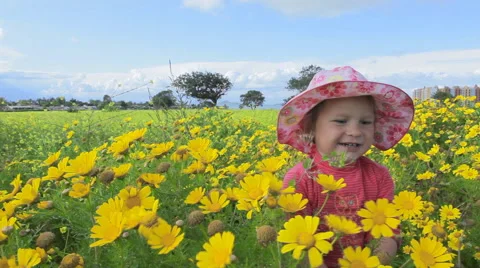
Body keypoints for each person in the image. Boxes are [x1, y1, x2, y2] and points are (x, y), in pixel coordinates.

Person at [277, 66, 414, 267]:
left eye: (365, 122)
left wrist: (376, 261)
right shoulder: (300, 179)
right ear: (310, 128)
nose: (355, 131)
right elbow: (296, 243)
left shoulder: (379, 176)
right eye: (341, 121)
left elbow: (388, 232)